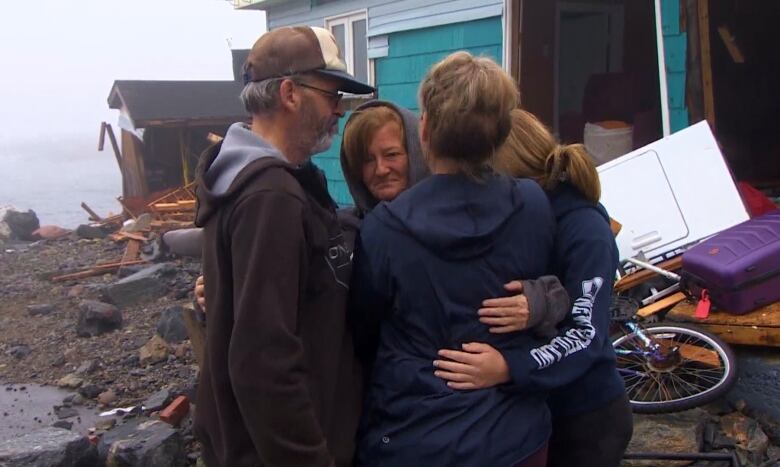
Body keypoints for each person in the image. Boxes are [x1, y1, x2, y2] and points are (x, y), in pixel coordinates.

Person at [351, 52, 556, 467]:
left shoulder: (384, 229)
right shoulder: (534, 204)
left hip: (416, 436)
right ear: (500, 134)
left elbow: (362, 333)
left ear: (423, 131)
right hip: (517, 437)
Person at [192, 26, 374, 467]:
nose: (339, 111)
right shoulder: (271, 197)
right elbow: (263, 359)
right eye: (333, 97)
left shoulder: (240, 178)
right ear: (291, 92)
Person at [433, 108, 633, 467]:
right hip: (529, 412)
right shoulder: (517, 222)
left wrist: (510, 367)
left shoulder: (584, 230)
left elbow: (586, 335)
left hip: (585, 417)